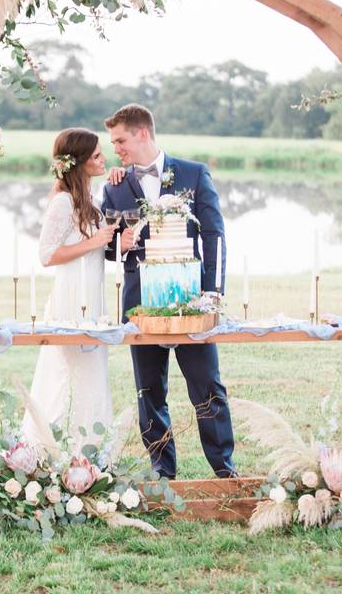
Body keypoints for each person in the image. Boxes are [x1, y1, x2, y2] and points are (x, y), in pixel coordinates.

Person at [101, 103, 236, 479]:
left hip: (191, 301)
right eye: (113, 143)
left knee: (207, 386)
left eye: (121, 140)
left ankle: (225, 470)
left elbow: (214, 235)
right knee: (149, 391)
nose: (117, 149)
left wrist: (213, 292)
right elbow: (105, 247)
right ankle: (163, 472)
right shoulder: (114, 187)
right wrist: (119, 245)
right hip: (139, 304)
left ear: (143, 133)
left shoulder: (193, 174)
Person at [21, 128, 124, 454]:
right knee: (68, 377)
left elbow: (94, 251)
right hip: (70, 300)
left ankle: (92, 452)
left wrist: (119, 242)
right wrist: (93, 241)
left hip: (93, 298)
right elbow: (47, 255)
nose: (103, 158)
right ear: (78, 162)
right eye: (96, 155)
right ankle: (57, 451)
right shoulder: (63, 202)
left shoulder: (89, 200)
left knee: (93, 377)